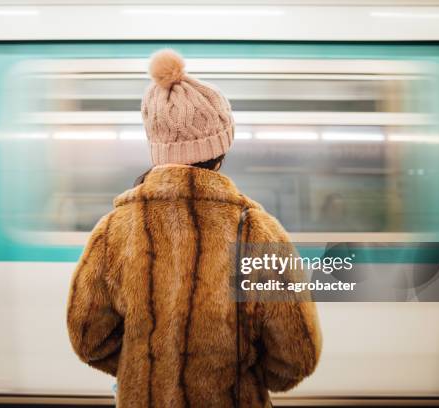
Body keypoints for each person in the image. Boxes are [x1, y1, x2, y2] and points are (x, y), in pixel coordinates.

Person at [66, 49, 321, 408]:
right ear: (221, 148)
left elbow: (88, 338)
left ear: (157, 147)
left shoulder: (113, 231)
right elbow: (297, 355)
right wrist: (245, 375)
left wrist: (143, 369)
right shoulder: (258, 232)